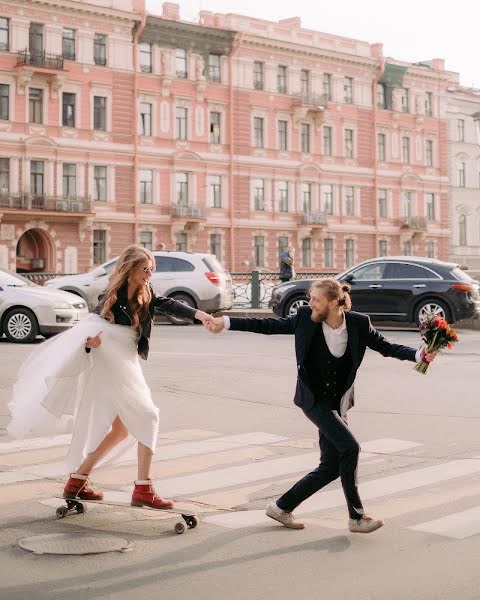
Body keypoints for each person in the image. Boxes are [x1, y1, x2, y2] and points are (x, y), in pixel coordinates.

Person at [206, 278, 437, 533]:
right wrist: (226, 322)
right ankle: (357, 517)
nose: (310, 303)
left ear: (334, 302)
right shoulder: (305, 317)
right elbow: (267, 325)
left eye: (316, 299)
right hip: (313, 399)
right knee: (350, 448)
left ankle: (281, 507)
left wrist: (419, 355)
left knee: (331, 466)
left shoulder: (359, 323)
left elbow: (386, 346)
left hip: (338, 402)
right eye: (310, 298)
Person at [8, 245, 214, 509]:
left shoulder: (146, 292)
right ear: (129, 270)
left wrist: (201, 315)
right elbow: (89, 329)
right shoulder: (112, 297)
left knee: (121, 429)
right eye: (145, 269)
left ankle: (77, 480)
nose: (150, 274)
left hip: (126, 358)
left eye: (152, 268)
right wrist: (89, 343)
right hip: (111, 359)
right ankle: (143, 489)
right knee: (148, 415)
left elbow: (169, 304)